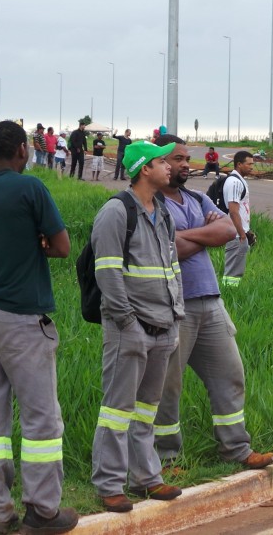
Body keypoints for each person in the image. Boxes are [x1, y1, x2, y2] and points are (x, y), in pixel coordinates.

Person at [0, 120, 78, 535]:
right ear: (23, 151)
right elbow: (61, 246)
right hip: (21, 315)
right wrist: (40, 243)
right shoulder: (31, 189)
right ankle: (43, 511)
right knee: (41, 419)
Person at [152, 135, 273, 472]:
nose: (184, 164)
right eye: (176, 159)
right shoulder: (149, 205)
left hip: (211, 302)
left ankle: (236, 449)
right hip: (174, 307)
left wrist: (187, 235)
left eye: (185, 158)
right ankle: (165, 459)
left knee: (230, 375)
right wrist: (203, 237)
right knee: (167, 385)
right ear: (159, 164)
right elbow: (167, 249)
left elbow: (227, 231)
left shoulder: (194, 197)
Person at [90, 141, 184, 513]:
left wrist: (176, 316)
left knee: (146, 409)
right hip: (130, 327)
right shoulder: (115, 212)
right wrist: (127, 322)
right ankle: (109, 484)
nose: (169, 167)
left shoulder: (162, 211)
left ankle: (146, 477)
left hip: (164, 325)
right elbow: (108, 274)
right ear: (145, 169)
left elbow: (171, 267)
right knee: (117, 409)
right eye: (163, 162)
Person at [222, 150, 254, 287]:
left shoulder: (238, 181)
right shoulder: (235, 182)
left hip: (239, 233)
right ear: (239, 164)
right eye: (249, 164)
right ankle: (230, 293)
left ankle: (231, 292)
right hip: (236, 235)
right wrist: (242, 235)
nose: (252, 167)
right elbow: (233, 211)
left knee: (236, 271)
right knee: (233, 273)